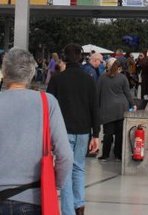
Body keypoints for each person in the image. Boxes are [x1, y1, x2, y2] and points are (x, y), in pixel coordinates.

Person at [0, 48, 72, 215]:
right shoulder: (47, 103)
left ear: (4, 71)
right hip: (34, 201)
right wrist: (55, 185)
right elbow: (66, 156)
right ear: (31, 73)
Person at [47, 43, 101, 215]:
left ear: (64, 58)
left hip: (62, 131)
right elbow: (94, 108)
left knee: (65, 172)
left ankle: (68, 211)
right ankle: (79, 207)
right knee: (79, 168)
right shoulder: (89, 80)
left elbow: (49, 109)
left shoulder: (56, 80)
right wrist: (96, 134)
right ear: (81, 57)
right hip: (84, 131)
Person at [98, 59, 135, 161]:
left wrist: (97, 107)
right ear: (120, 68)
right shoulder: (123, 78)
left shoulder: (102, 77)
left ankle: (105, 155)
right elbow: (128, 93)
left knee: (108, 134)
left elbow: (98, 93)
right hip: (122, 108)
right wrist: (133, 104)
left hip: (107, 109)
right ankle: (118, 155)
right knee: (119, 134)